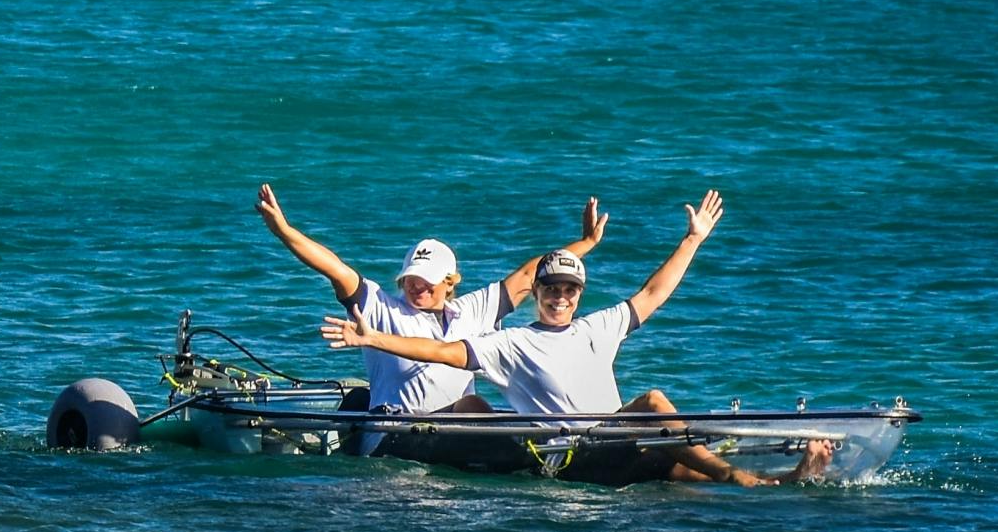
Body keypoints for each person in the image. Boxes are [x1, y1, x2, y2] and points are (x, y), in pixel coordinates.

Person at [319, 189, 831, 485]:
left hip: (616, 443)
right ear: (537, 292)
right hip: (573, 457)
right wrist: (373, 339)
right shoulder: (510, 342)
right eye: (550, 288)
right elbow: (440, 352)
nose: (560, 296)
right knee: (654, 404)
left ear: (578, 293)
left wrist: (692, 240)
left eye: (568, 289)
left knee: (685, 478)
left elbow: (653, 293)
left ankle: (784, 484)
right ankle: (736, 476)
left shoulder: (597, 327)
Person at [256, 183, 607, 426]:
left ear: (449, 282)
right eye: (411, 278)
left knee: (477, 408)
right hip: (395, 435)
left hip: (455, 432)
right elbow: (333, 267)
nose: (416, 286)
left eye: (427, 280)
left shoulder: (473, 310)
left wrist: (586, 243)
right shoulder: (381, 308)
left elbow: (532, 273)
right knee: (474, 407)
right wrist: (285, 231)